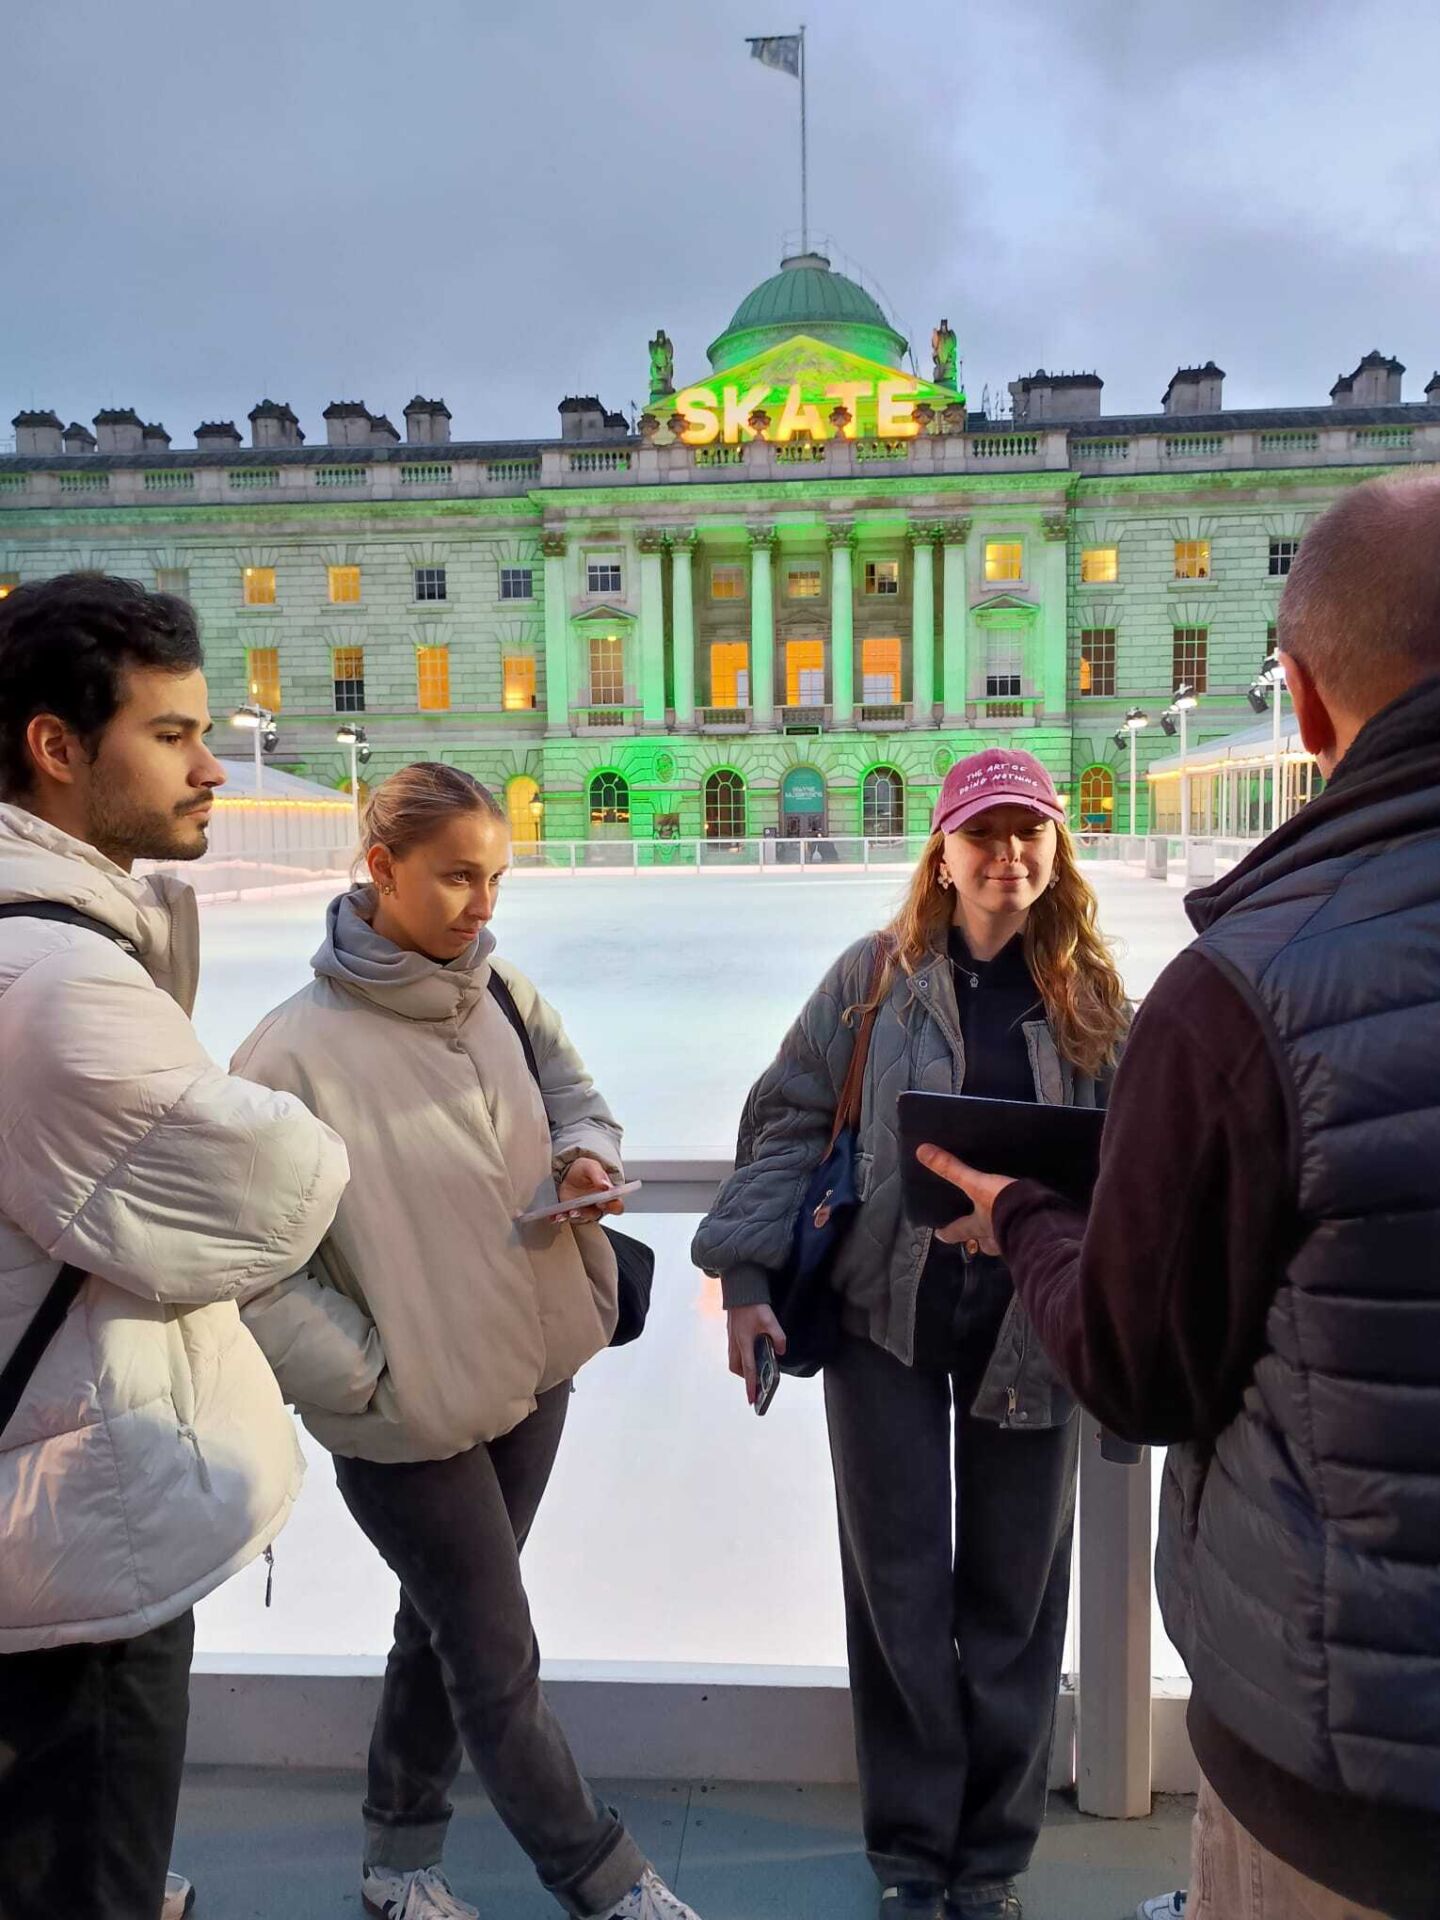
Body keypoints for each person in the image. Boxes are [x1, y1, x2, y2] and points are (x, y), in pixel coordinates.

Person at [915, 475, 1440, 1920]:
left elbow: (1144, 1367)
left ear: (1309, 709)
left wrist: (1023, 1212)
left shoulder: (1239, 991)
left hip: (1350, 1772)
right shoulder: (889, 985)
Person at [232, 762, 704, 1920]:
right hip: (410, 1420)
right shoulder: (285, 1055)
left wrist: (584, 1158)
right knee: (495, 1655)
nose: (483, 904)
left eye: (495, 875)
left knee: (438, 1622)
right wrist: (371, 1379)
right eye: (455, 877)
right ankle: (605, 1879)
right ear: (379, 868)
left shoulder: (502, 993)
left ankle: (398, 1857)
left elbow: (580, 1096)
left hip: (533, 1374)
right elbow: (248, 1269)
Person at [692, 748, 1130, 1920]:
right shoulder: (871, 978)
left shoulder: (1091, 994)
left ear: (1056, 849)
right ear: (940, 852)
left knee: (1015, 1598)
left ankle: (988, 1859)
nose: (1009, 854)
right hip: (889, 1318)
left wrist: (1052, 1235)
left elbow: (1135, 1164)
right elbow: (787, 1118)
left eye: (1029, 831)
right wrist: (743, 1273)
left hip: (1034, 1330)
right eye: (983, 833)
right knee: (897, 1588)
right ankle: (909, 1852)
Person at [0, 573, 350, 1920]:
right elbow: (273, 1188)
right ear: (55, 745)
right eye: (173, 734)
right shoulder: (53, 982)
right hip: (76, 1552)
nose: (215, 767)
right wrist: (304, 1122)